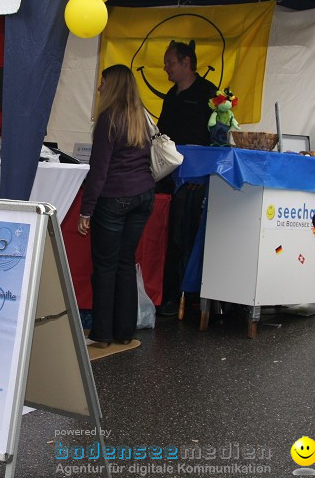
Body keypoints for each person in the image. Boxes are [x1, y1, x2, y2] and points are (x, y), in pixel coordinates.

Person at [77, 65, 156, 347]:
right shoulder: (142, 117)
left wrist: (86, 210)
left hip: (115, 197)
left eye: (102, 82)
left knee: (105, 267)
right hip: (144, 195)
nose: (99, 87)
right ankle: (125, 332)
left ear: (112, 86)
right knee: (125, 264)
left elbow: (99, 170)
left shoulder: (109, 119)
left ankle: (102, 333)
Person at [156, 40, 218, 316]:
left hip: (194, 181)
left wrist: (201, 173)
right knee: (166, 236)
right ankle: (166, 292)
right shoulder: (171, 95)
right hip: (168, 177)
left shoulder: (208, 93)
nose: (165, 67)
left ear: (186, 63)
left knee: (184, 236)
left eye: (170, 62)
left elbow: (217, 138)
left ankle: (185, 295)